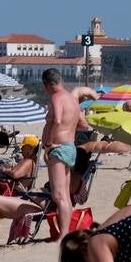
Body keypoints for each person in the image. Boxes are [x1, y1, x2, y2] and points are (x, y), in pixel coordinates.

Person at [41, 68, 87, 238]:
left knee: (58, 194)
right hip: (69, 147)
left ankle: (64, 234)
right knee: (65, 194)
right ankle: (66, 232)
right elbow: (83, 124)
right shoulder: (72, 99)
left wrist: (48, 143)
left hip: (58, 148)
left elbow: (58, 120)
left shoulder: (56, 97)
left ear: (47, 84)